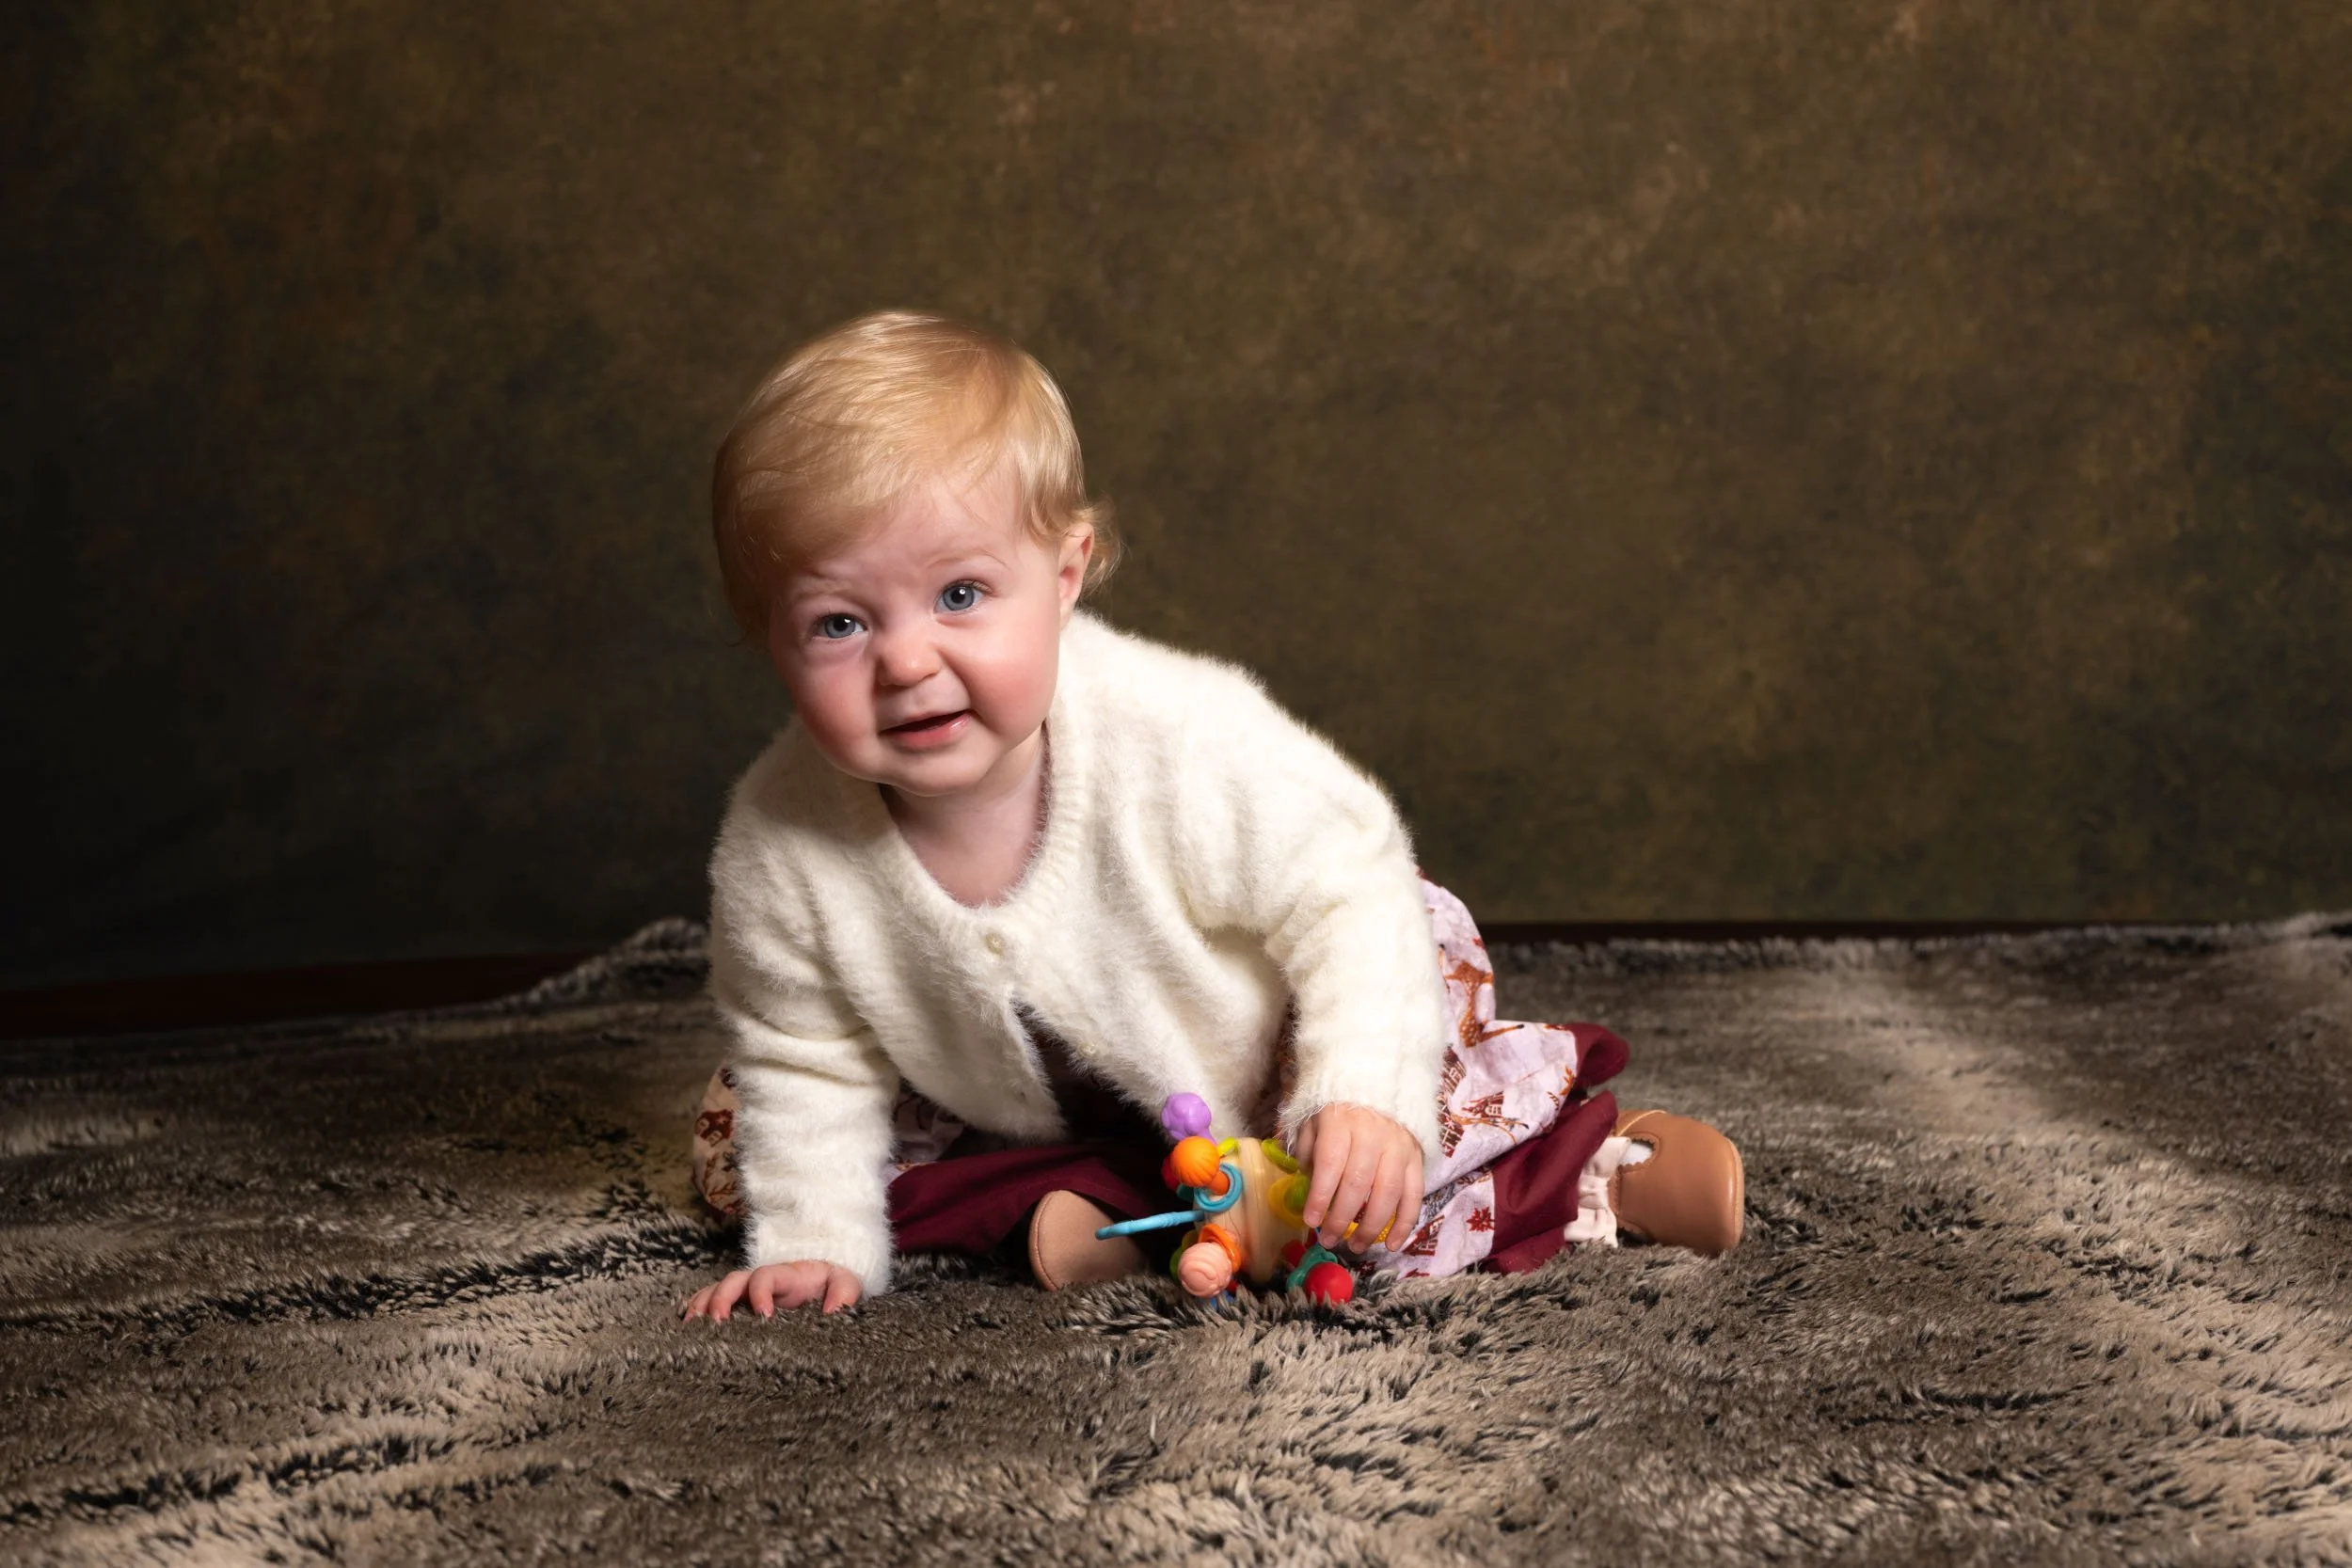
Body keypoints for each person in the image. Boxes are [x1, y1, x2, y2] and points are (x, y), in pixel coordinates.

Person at [681, 311, 1741, 1323]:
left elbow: (1348, 885)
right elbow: (806, 1055)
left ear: (1063, 577)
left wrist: (1359, 1091)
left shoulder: (1170, 735)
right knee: (743, 1139)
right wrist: (813, 1241)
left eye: (960, 595)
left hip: (1270, 1043)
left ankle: (1587, 1169)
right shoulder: (780, 845)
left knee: (1367, 1163)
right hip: (1016, 1100)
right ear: (768, 637)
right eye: (839, 623)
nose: (907, 662)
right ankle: (1142, 1210)